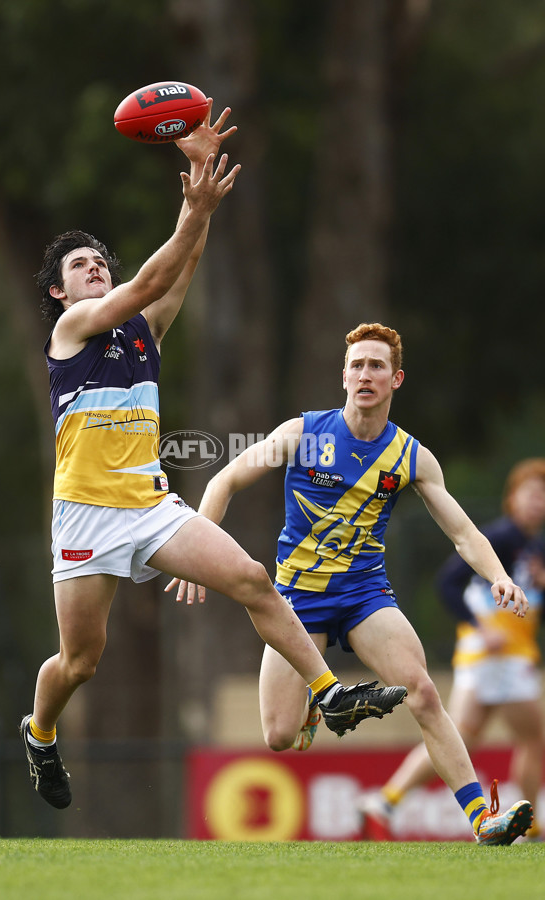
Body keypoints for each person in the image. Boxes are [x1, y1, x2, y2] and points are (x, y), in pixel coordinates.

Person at [21, 108, 406, 811]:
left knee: (256, 579)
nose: (95, 267)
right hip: (85, 518)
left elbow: (177, 271)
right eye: (80, 266)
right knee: (81, 662)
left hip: (149, 504)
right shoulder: (71, 331)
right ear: (59, 292)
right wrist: (190, 206)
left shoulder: (143, 334)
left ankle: (331, 695)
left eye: (98, 258)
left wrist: (199, 190)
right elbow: (145, 283)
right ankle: (42, 734)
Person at [167, 322, 534, 845]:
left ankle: (481, 820)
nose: (366, 374)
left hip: (365, 595)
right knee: (277, 735)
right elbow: (223, 479)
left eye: (377, 366)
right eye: (357, 365)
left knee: (424, 692)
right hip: (294, 600)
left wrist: (498, 576)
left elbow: (462, 531)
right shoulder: (303, 434)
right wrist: (196, 553)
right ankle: (319, 702)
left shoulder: (412, 457)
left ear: (396, 379)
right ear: (343, 376)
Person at [359, 458, 545, 841]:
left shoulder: (534, 545)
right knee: (529, 739)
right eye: (531, 494)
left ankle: (385, 801)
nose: (538, 503)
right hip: (496, 657)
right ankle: (533, 827)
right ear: (512, 499)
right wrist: (479, 627)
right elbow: (448, 583)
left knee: (459, 736)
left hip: (506, 656)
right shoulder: (504, 537)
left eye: (543, 496)